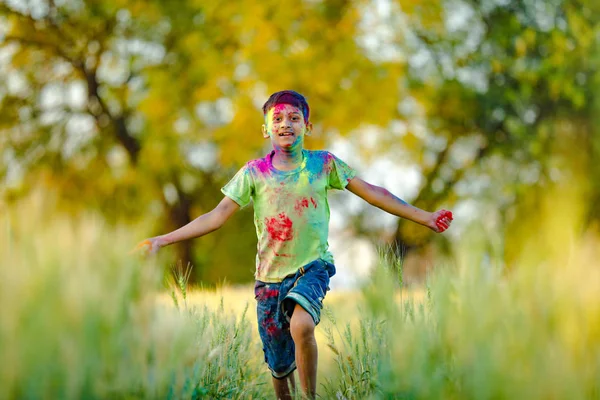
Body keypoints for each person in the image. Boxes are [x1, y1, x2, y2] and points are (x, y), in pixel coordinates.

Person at [136, 90, 453, 399]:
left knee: (302, 325)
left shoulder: (323, 165)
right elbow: (215, 216)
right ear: (266, 129)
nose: (285, 123)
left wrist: (424, 217)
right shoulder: (254, 173)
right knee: (279, 369)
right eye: (278, 118)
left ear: (307, 127)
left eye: (294, 117)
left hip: (312, 267)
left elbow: (374, 192)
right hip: (269, 280)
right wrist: (161, 240)